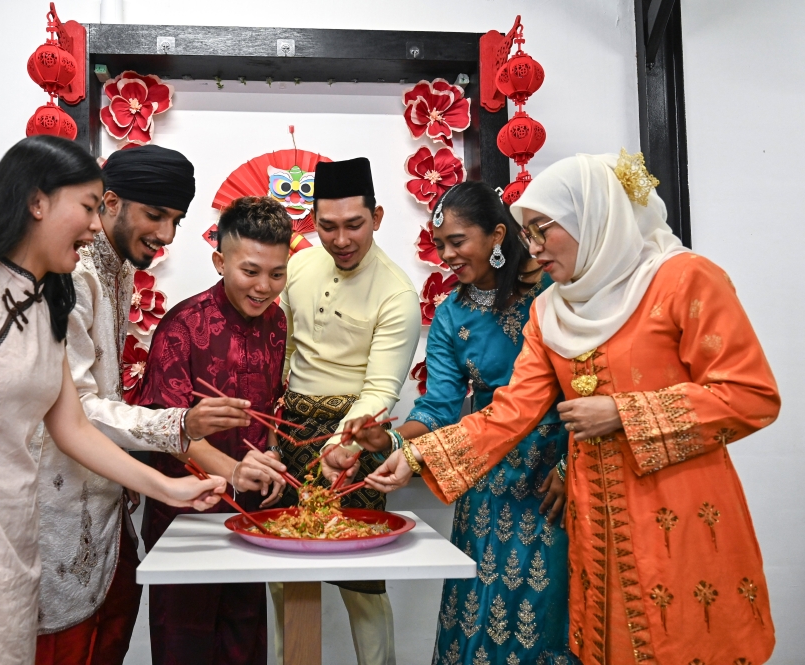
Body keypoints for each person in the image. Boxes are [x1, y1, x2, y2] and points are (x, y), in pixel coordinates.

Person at [363, 151, 780, 665]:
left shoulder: (683, 280)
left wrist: (624, 413)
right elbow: (512, 410)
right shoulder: (552, 309)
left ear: (592, 215)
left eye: (542, 230)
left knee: (680, 638)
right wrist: (415, 455)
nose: (533, 248)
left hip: (678, 507)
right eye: (528, 233)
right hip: (590, 520)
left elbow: (750, 395)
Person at [0, 136, 227, 664]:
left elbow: (71, 426)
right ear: (37, 202)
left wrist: (170, 486)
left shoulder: (47, 298)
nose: (96, 226)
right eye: (90, 208)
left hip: (17, 547)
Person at [33, 146, 285, 665]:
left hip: (126, 495)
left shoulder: (115, 267)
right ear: (108, 201)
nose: (167, 235)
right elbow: (76, 410)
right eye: (155, 215)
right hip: (94, 495)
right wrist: (182, 428)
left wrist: (261, 459)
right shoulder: (75, 275)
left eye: (175, 220)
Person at [329, 180, 575, 665]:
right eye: (439, 244)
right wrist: (393, 438)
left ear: (498, 235)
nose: (445, 255)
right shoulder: (451, 314)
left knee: (550, 614)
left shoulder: (555, 291)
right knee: (480, 617)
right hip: (488, 477)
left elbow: (591, 384)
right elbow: (439, 408)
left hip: (557, 479)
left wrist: (572, 469)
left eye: (456, 242)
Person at [271, 157, 422, 665]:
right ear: (313, 221)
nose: (340, 239)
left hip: (352, 441)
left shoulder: (398, 292)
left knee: (361, 582)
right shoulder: (297, 265)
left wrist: (340, 444)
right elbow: (284, 346)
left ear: (377, 218)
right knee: (280, 578)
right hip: (288, 435)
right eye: (327, 226)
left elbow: (380, 389)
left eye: (354, 225)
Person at [133, 196, 293, 665]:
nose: (264, 286)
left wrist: (271, 456)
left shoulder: (278, 324)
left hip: (247, 521)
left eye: (277, 273)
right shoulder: (182, 325)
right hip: (182, 521)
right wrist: (232, 470)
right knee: (185, 648)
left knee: (245, 646)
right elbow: (166, 428)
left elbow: (270, 411)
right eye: (250, 271)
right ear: (220, 261)